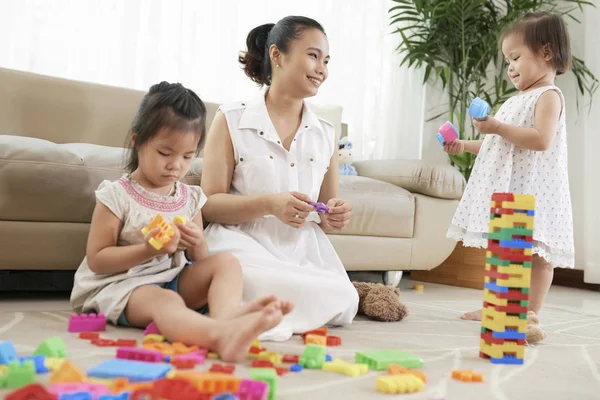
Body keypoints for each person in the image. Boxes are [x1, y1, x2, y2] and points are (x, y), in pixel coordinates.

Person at [70, 82, 292, 361]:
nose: (176, 165)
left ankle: (226, 320)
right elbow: (98, 260)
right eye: (165, 153)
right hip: (123, 286)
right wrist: (147, 250)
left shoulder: (189, 198)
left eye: (187, 156)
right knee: (167, 301)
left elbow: (198, 258)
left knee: (226, 263)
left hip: (172, 278)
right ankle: (218, 336)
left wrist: (196, 241)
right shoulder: (116, 195)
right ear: (137, 140)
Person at [201, 16, 359, 341]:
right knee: (243, 277)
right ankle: (251, 314)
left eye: (326, 60)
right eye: (313, 55)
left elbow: (325, 212)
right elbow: (210, 205)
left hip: (302, 249)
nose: (322, 69)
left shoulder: (325, 133)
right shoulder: (231, 118)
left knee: (345, 298)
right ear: (277, 55)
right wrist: (270, 205)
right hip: (242, 242)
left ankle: (258, 312)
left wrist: (336, 214)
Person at [444, 12, 574, 343]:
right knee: (504, 253)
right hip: (512, 191)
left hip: (537, 191)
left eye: (515, 58)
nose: (510, 68)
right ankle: (498, 310)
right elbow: (496, 145)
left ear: (546, 53)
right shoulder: (514, 100)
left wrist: (498, 126)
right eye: (507, 61)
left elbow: (541, 140)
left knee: (538, 257)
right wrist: (463, 144)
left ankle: (529, 315)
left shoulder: (548, 96)